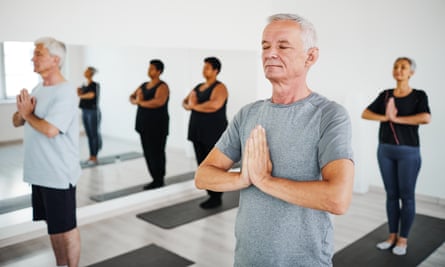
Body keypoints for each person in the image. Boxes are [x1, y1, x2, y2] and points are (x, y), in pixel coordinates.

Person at [195, 13, 354, 266]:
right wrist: (244, 178)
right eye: (265, 46)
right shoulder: (248, 113)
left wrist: (264, 180)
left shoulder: (329, 115)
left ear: (310, 57)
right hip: (247, 259)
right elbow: (203, 176)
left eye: (282, 46)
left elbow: (337, 198)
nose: (270, 53)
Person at [12, 37, 81, 267]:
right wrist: (23, 112)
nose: (33, 58)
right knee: (54, 227)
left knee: (67, 229)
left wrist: (28, 114)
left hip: (58, 174)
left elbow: (51, 129)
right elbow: (17, 121)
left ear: (55, 59)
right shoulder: (38, 88)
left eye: (38, 53)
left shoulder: (66, 92)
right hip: (39, 174)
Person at [362, 57, 431, 256]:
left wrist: (397, 119)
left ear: (411, 73)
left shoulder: (418, 95)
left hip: (408, 152)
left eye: (403, 67)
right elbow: (366, 113)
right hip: (385, 150)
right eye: (396, 66)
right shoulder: (385, 95)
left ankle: (403, 239)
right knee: (391, 195)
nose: (399, 70)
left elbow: (425, 117)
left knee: (406, 196)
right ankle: (391, 235)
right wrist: (386, 117)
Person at [183, 57, 229, 209]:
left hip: (213, 132)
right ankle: (210, 194)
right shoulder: (198, 86)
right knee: (202, 165)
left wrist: (194, 105)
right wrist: (193, 105)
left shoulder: (220, 87)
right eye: (204, 67)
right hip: (197, 132)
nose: (204, 70)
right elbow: (185, 102)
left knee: (214, 166)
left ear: (216, 70)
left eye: (207, 68)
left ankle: (216, 197)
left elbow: (214, 105)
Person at [130, 59, 169, 190]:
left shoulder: (162, 86)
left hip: (157, 126)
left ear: (159, 71)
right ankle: (154, 179)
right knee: (148, 153)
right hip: (143, 125)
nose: (149, 70)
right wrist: (137, 100)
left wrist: (139, 102)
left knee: (157, 152)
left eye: (152, 68)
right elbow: (132, 96)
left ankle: (159, 179)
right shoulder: (143, 85)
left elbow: (158, 102)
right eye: (149, 68)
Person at [77, 66, 102, 165]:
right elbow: (80, 94)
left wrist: (80, 95)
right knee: (89, 135)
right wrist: (79, 91)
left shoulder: (95, 85)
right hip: (85, 110)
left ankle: (94, 157)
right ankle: (91, 156)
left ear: (90, 73)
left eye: (87, 70)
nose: (85, 72)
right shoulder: (85, 85)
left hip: (92, 111)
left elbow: (91, 95)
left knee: (93, 135)